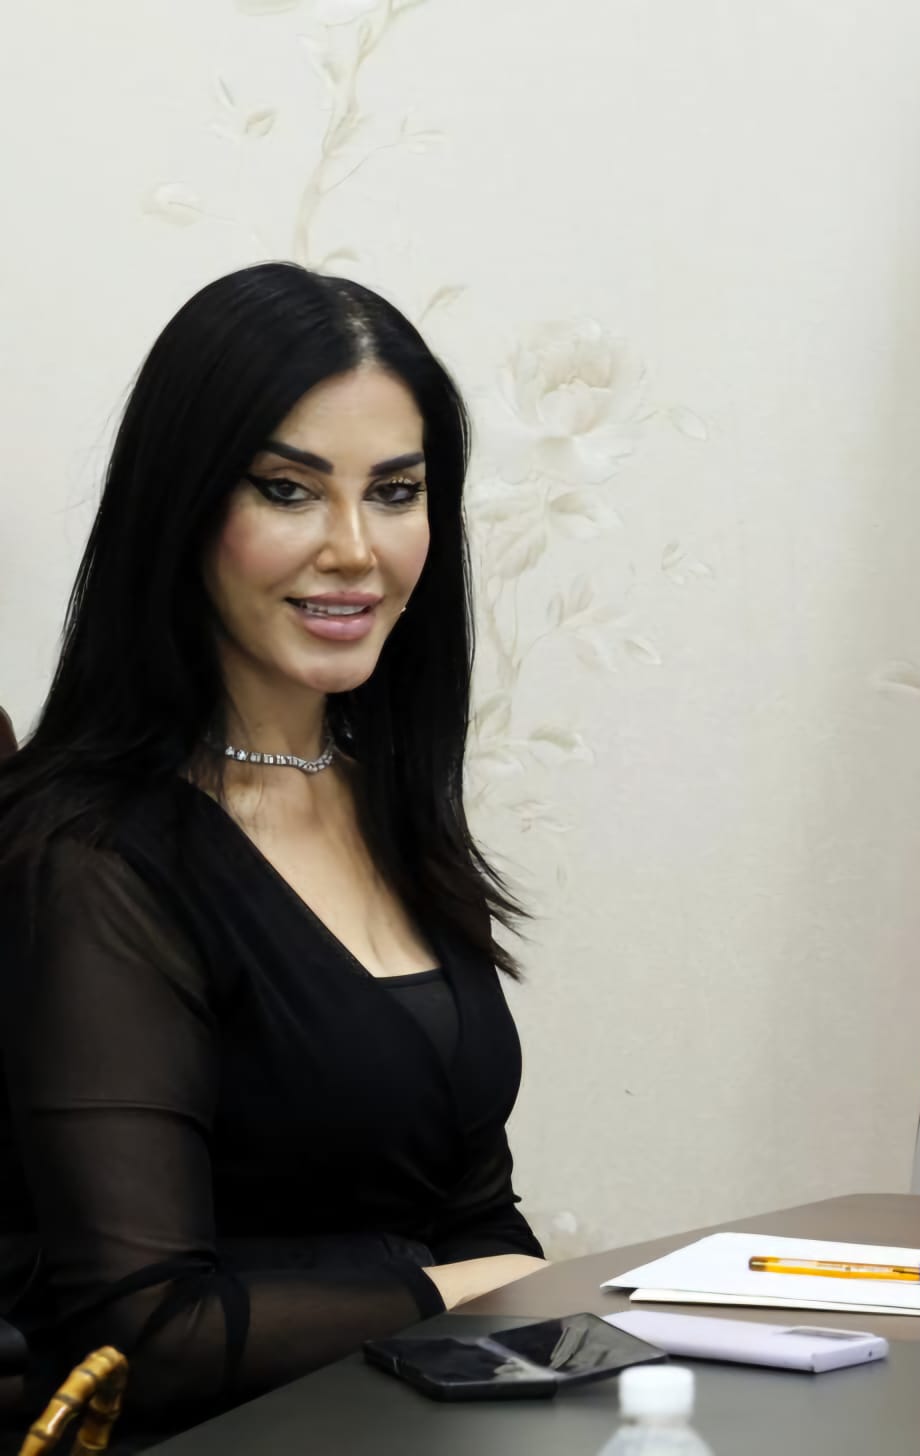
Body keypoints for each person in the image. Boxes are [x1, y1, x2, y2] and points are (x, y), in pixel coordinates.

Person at [0, 263, 546, 1440]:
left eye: (393, 492)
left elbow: (474, 1216)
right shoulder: (84, 855)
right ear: (184, 508)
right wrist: (467, 1290)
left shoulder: (383, 801)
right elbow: (142, 1335)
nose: (355, 548)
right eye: (288, 490)